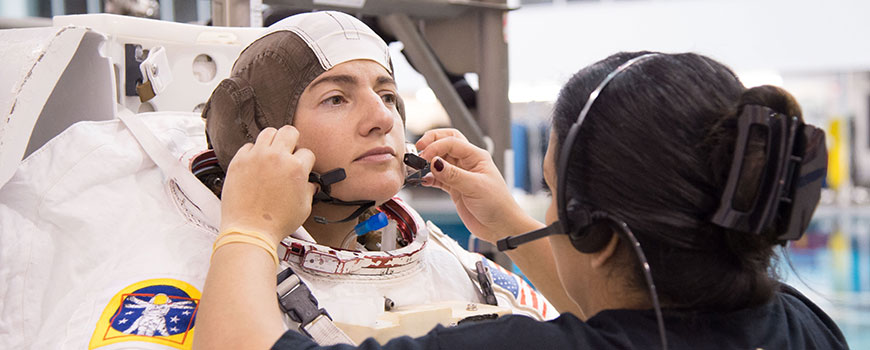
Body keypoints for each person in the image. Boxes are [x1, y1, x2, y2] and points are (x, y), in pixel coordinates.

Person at [196, 51, 849, 349]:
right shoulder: (805, 326)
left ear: (599, 236)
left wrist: (250, 226)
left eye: (552, 193)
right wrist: (513, 223)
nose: (379, 120)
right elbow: (636, 306)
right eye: (338, 96)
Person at [193, 10, 557, 348]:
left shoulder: (462, 273)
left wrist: (508, 223)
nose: (382, 118)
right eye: (336, 99)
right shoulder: (181, 272)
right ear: (257, 135)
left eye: (387, 96)